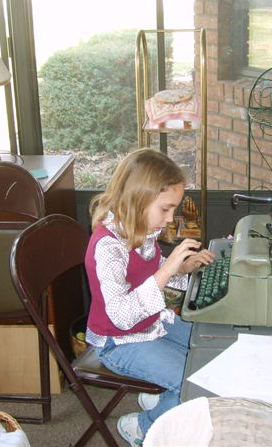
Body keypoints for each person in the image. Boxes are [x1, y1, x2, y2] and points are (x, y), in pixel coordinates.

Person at [84, 147, 215, 446]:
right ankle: (142, 428)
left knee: (210, 349)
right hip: (117, 341)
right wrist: (167, 270)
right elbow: (121, 315)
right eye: (165, 209)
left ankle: (163, 397)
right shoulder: (108, 247)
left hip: (151, 322)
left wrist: (182, 268)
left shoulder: (140, 228)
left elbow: (150, 270)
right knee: (196, 383)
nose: (170, 219)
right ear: (138, 199)